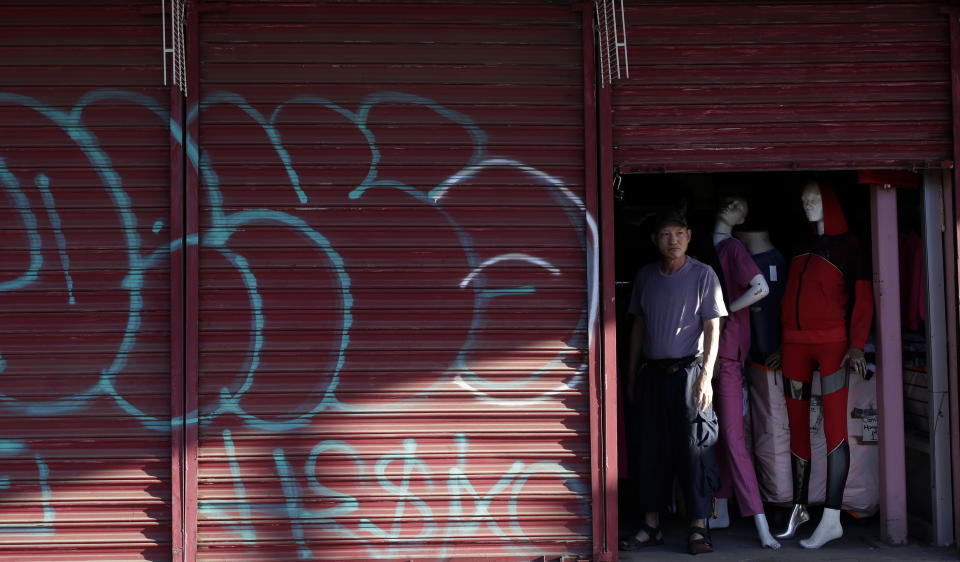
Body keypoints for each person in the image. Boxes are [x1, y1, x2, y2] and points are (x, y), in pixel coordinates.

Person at [621, 209, 727, 555]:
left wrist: (707, 377)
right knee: (650, 450)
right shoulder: (646, 276)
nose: (673, 241)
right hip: (652, 374)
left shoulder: (703, 275)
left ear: (690, 236)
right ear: (655, 240)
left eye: (679, 233)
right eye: (666, 234)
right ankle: (650, 527)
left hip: (689, 374)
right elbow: (637, 326)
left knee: (695, 451)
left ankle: (698, 528)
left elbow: (713, 328)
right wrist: (631, 374)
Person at [776, 181, 873, 549]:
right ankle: (799, 509)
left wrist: (858, 345)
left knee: (834, 430)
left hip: (833, 345)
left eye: (815, 199)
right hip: (793, 345)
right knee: (796, 428)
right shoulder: (800, 245)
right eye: (804, 200)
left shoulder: (849, 245)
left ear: (830, 201)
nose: (808, 205)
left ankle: (831, 519)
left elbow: (863, 298)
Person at [709, 197, 780, 550]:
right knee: (709, 437)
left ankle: (760, 524)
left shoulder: (733, 248)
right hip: (705, 353)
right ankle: (716, 508)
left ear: (743, 217)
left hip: (725, 354)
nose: (734, 204)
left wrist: (721, 313)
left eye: (741, 203)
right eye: (730, 200)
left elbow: (761, 288)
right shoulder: (699, 245)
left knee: (732, 439)